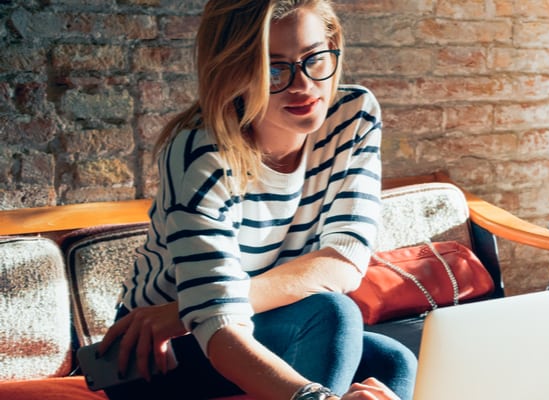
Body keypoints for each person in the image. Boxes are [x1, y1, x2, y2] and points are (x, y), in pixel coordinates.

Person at [96, 1, 414, 399]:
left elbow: (345, 260)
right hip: (154, 353)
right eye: (273, 68)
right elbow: (218, 324)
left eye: (314, 58)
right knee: (332, 312)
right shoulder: (200, 154)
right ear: (235, 71)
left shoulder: (352, 116)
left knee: (392, 363)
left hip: (216, 317)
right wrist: (316, 397)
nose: (303, 85)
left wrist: (187, 310)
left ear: (333, 46)